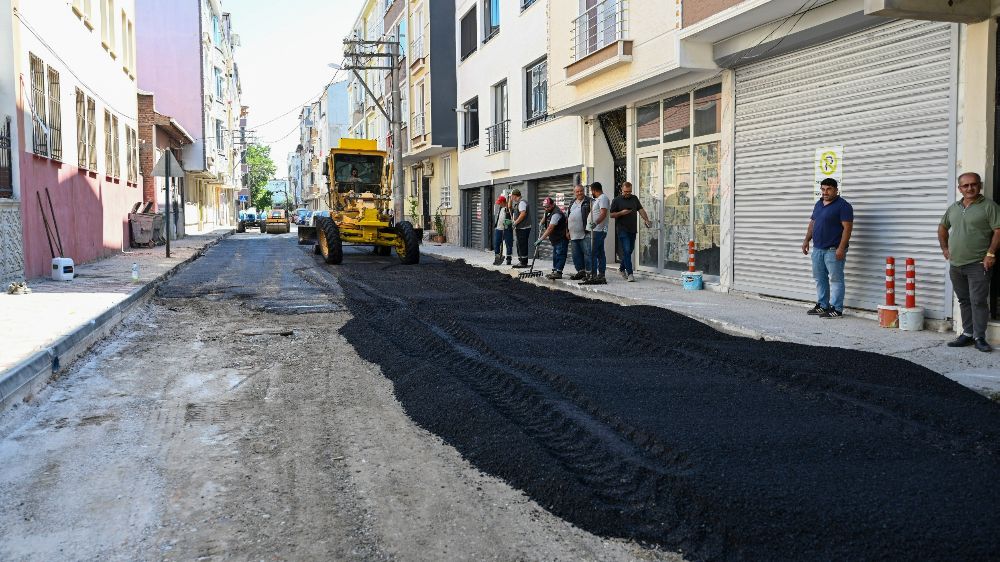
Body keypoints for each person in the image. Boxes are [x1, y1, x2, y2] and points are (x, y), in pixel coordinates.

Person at [938, 172, 1000, 352]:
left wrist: (990, 253)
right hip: (956, 264)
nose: (970, 188)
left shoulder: (989, 206)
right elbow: (942, 227)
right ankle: (967, 334)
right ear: (960, 189)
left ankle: (979, 337)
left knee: (978, 301)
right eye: (965, 186)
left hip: (978, 264)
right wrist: (944, 248)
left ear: (979, 185)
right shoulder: (954, 208)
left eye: (973, 184)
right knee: (964, 300)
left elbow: (998, 230)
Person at [801, 178, 854, 319]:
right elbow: (812, 223)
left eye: (828, 189)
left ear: (836, 190)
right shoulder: (819, 204)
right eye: (823, 189)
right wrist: (806, 239)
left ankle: (837, 309)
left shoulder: (844, 206)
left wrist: (841, 248)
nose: (825, 192)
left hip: (833, 250)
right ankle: (823, 305)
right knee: (819, 278)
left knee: (836, 279)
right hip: (818, 248)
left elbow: (847, 229)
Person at [609, 181, 651, 282]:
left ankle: (621, 269)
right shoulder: (616, 200)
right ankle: (630, 274)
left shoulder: (634, 198)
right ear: (622, 190)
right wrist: (621, 213)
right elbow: (611, 215)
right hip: (622, 229)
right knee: (627, 250)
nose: (627, 193)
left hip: (632, 229)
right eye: (625, 191)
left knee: (630, 250)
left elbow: (641, 210)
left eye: (629, 191)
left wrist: (646, 219)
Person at [582, 182, 610, 285]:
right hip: (596, 230)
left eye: (591, 191)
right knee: (599, 252)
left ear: (594, 190)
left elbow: (603, 213)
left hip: (598, 230)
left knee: (593, 252)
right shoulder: (598, 199)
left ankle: (594, 275)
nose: (591, 193)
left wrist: (595, 223)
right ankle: (600, 274)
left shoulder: (603, 198)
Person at [535, 197, 568, 279]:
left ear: (553, 205)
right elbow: (545, 216)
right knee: (555, 255)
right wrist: (541, 222)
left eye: (548, 207)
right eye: (545, 207)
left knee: (560, 255)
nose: (546, 208)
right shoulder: (548, 210)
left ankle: (558, 272)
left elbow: (550, 228)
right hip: (555, 238)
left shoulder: (556, 213)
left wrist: (541, 239)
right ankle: (555, 271)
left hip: (561, 237)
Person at [567, 185, 592, 280]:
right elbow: (568, 217)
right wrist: (567, 231)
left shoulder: (589, 201)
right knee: (576, 255)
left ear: (583, 191)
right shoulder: (572, 202)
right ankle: (581, 272)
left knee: (587, 254)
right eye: (577, 191)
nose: (579, 193)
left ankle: (589, 273)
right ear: (574, 192)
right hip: (573, 234)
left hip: (585, 233)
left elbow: (595, 215)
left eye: (581, 191)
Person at [510, 189, 531, 267]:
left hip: (523, 228)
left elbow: (522, 214)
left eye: (511, 196)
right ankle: (522, 261)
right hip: (522, 227)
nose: (511, 198)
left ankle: (523, 263)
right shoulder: (519, 203)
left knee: (522, 245)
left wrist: (515, 223)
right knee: (520, 244)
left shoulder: (521, 203)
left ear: (515, 196)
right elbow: (510, 207)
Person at [492, 194, 513, 266]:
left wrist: (510, 198)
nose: (499, 204)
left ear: (503, 202)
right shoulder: (500, 208)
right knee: (497, 243)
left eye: (500, 203)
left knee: (508, 244)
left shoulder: (508, 209)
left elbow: (510, 209)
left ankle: (509, 259)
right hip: (499, 229)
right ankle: (497, 257)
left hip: (507, 229)